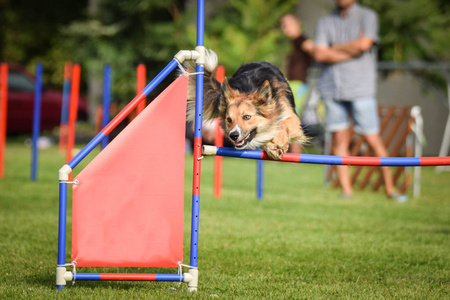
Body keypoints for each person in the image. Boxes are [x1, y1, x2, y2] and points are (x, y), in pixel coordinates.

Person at [305, 0, 407, 201]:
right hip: (332, 88)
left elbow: (364, 44)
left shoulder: (368, 16)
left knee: (371, 139)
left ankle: (390, 189)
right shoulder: (325, 21)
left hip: (361, 89)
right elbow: (319, 53)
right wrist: (352, 50)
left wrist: (333, 49)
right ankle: (346, 191)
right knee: (339, 139)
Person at [280, 14, 313, 153]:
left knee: (293, 116)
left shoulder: (301, 40)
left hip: (299, 84)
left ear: (297, 23)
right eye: (283, 25)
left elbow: (314, 49)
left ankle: (295, 153)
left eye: (288, 24)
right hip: (292, 83)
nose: (285, 28)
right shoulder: (292, 43)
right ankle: (290, 151)